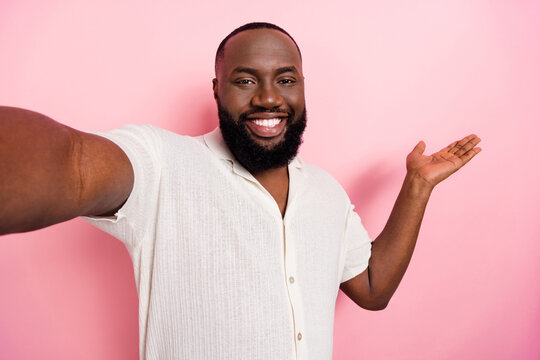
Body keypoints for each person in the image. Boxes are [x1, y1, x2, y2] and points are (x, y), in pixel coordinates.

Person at [0, 22, 481, 360]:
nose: (269, 97)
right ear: (216, 90)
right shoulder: (163, 163)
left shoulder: (327, 192)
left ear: (303, 88)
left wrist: (417, 185)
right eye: (245, 80)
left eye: (285, 80)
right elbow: (75, 165)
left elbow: (373, 288)